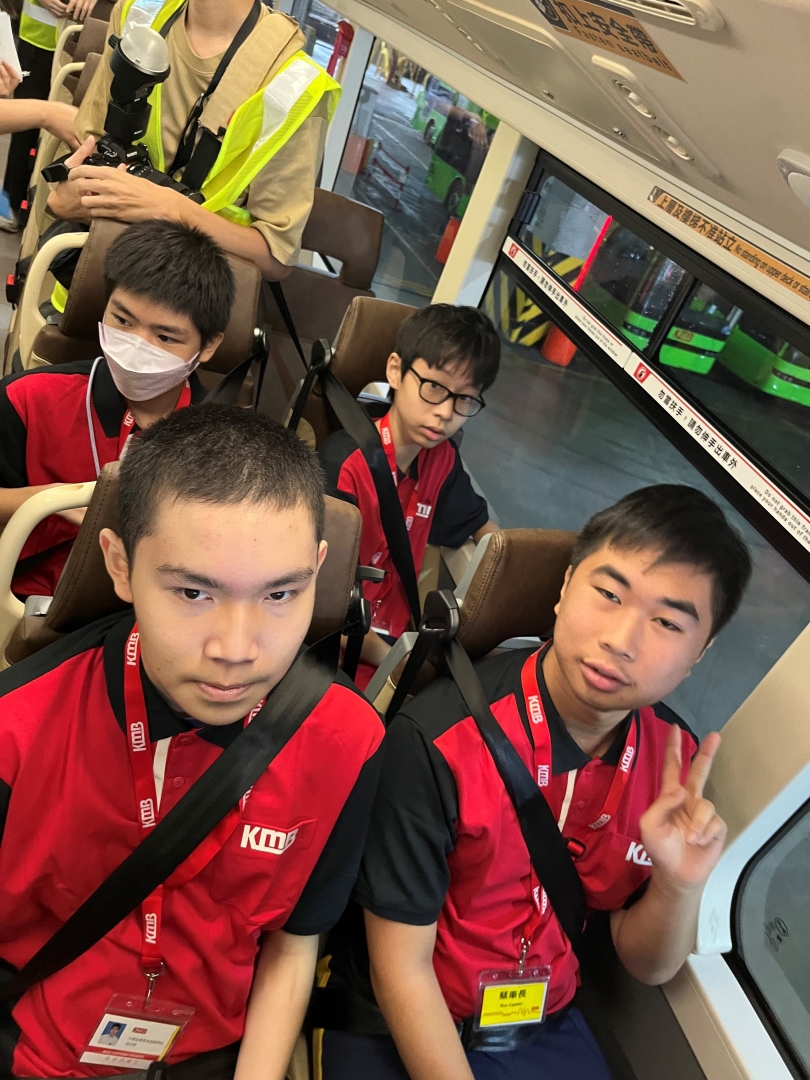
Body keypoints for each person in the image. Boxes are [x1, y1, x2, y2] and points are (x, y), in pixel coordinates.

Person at [315, 485, 753, 1079]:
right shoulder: (440, 739)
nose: (621, 641)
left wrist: (678, 885)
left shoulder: (671, 763)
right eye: (608, 594)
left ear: (700, 651)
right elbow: (402, 971)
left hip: (542, 1023)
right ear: (565, 587)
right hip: (400, 1020)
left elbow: (645, 964)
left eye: (667, 623)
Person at [0, 406, 384, 1080]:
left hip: (215, 1056)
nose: (236, 650)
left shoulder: (349, 742)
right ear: (120, 565)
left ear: (318, 571)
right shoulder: (17, 728)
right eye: (192, 592)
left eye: (280, 594)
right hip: (34, 1049)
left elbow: (294, 945)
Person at [0, 217, 234, 598]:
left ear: (208, 346)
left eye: (165, 337)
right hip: (25, 596)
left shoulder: (222, 444)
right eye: (122, 320)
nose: (136, 347)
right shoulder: (29, 398)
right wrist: (52, 500)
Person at [45, 0, 339, 281]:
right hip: (87, 270)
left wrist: (173, 212)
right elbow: (91, 142)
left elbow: (275, 257)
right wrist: (72, 193)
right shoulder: (137, 14)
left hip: (186, 295)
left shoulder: (295, 87)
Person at [319, 304, 500, 689]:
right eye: (434, 387)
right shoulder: (345, 464)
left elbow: (488, 536)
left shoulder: (442, 461)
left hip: (395, 639)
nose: (446, 413)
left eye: (465, 399)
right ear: (395, 371)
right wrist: (394, 660)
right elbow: (318, 602)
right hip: (335, 646)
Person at [1, 0, 98, 231]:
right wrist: (46, 114)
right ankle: (12, 202)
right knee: (24, 134)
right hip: (39, 37)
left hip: (85, 41)